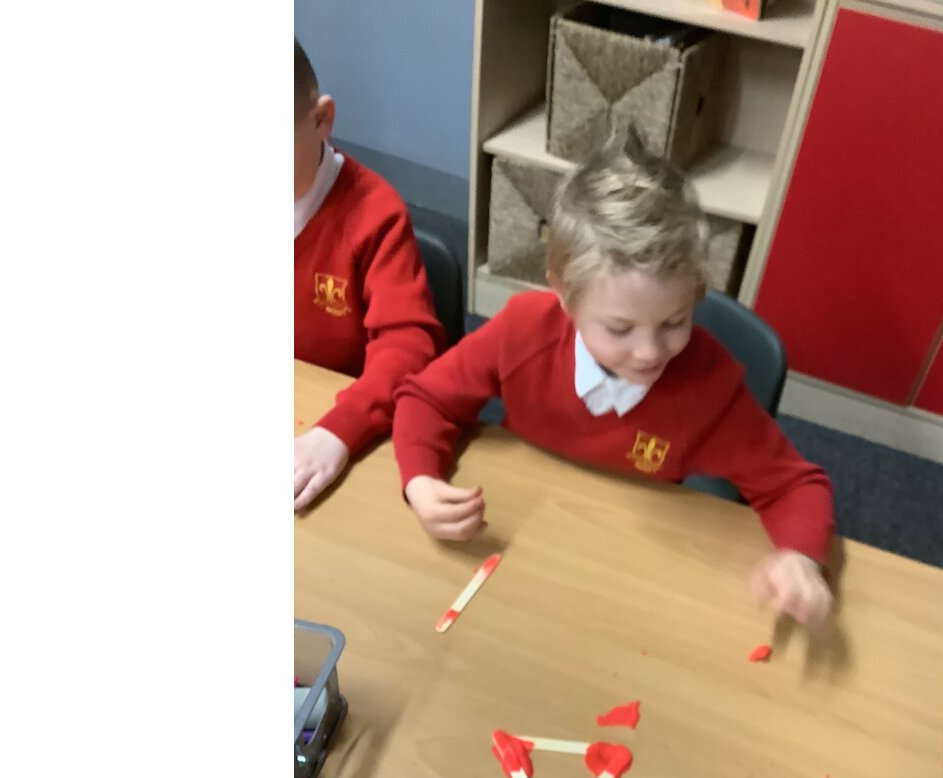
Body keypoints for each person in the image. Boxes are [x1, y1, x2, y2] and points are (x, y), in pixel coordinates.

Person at [391, 133, 834, 627]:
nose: (650, 353)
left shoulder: (708, 387)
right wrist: (421, 481)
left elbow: (795, 483)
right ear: (564, 294)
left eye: (675, 322)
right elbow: (426, 398)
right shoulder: (522, 330)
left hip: (627, 570)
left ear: (695, 293)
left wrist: (799, 556)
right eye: (620, 329)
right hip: (520, 540)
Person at [294, 40, 444, 510]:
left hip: (345, 424)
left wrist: (339, 430)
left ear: (322, 120)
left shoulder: (375, 216)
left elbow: (408, 347)